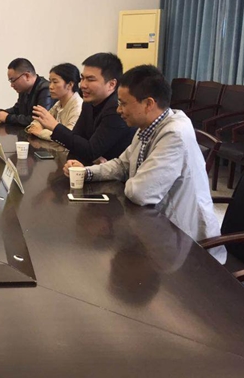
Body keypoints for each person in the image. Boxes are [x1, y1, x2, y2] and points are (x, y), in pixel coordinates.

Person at [63, 65, 226, 263]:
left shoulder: (174, 134)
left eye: (123, 103)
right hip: (156, 226)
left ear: (148, 104)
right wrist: (86, 172)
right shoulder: (147, 127)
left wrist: (133, 178)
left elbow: (141, 192)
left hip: (186, 245)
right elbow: (122, 165)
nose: (118, 110)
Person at [38, 52, 135, 164]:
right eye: (82, 78)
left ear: (111, 84)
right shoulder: (88, 103)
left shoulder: (116, 109)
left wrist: (55, 127)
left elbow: (90, 150)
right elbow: (74, 142)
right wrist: (75, 161)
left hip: (114, 173)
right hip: (89, 169)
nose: (83, 85)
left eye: (90, 79)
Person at [0, 58, 53, 126]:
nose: (11, 85)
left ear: (27, 76)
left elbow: (39, 120)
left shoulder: (46, 89)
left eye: (13, 80)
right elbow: (16, 110)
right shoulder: (24, 89)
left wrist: (8, 118)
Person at [26, 63, 83, 141]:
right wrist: (36, 126)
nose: (50, 86)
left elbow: (69, 137)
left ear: (70, 85)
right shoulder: (59, 103)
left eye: (55, 82)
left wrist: (41, 132)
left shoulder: (78, 106)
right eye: (50, 82)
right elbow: (39, 121)